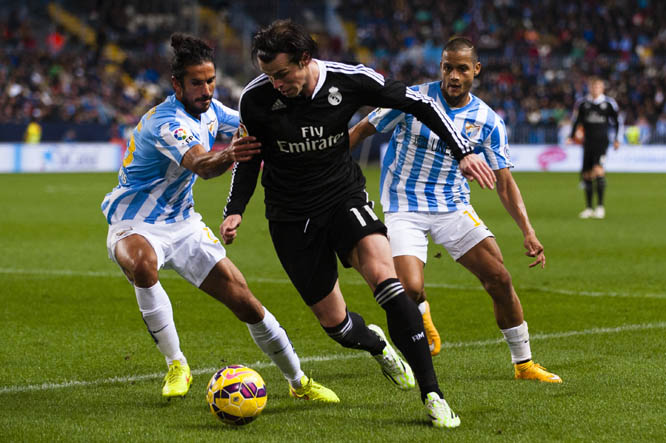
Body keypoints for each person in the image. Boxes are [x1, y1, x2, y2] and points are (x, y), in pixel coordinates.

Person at [222, 20, 496, 429]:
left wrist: (462, 152)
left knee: (388, 284)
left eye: (283, 74)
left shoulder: (349, 80)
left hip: (342, 198)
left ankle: (433, 394)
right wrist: (235, 207)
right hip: (290, 215)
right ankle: (378, 346)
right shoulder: (256, 98)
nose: (276, 83)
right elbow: (249, 156)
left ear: (305, 60)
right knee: (336, 325)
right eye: (269, 75)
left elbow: (420, 103)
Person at [101, 33, 338, 403]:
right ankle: (176, 363)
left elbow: (256, 125)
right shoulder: (165, 122)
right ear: (177, 84)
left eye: (211, 81)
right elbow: (201, 164)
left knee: (247, 303)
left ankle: (299, 382)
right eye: (197, 83)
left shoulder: (212, 111)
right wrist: (233, 154)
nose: (207, 90)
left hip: (184, 224)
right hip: (134, 223)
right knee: (144, 265)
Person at [349, 37, 562, 383]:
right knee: (410, 288)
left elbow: (504, 182)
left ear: (476, 70)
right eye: (448, 67)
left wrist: (528, 231)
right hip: (405, 205)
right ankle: (423, 312)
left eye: (462, 68)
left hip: (452, 207)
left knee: (500, 279)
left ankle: (524, 365)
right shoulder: (410, 99)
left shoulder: (487, 120)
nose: (453, 75)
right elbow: (361, 130)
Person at [567, 77, 620, 219]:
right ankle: (589, 208)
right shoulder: (583, 103)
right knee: (587, 175)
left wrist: (616, 139)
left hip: (602, 142)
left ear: (602, 88)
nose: (595, 89)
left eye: (598, 87)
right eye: (593, 86)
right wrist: (571, 136)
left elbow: (616, 122)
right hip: (587, 143)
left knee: (598, 171)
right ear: (590, 88)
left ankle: (600, 207)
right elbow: (576, 121)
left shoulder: (609, 103)